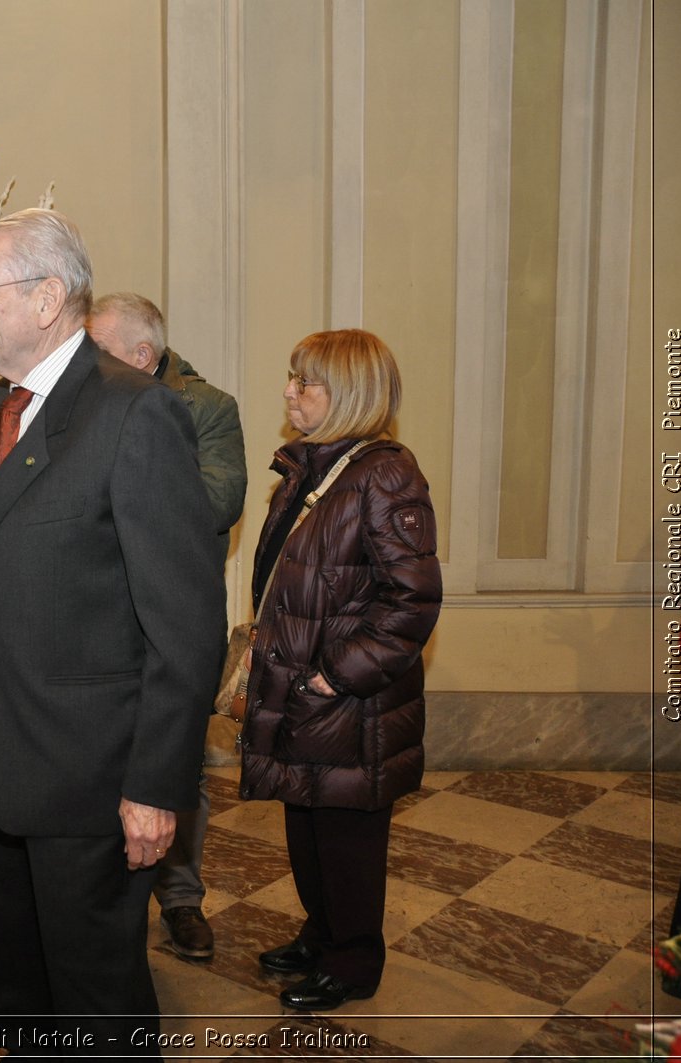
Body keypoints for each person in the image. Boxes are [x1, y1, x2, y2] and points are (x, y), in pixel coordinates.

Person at [0, 209, 224, 1053]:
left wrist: (158, 785)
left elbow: (190, 626)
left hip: (98, 780)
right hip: (9, 770)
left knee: (97, 1001)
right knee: (18, 989)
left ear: (48, 297)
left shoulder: (136, 416)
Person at [242, 328, 441, 1012]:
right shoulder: (315, 464)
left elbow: (411, 599)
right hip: (305, 686)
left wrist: (335, 676)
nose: (289, 393)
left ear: (349, 394)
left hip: (349, 701)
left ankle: (353, 959)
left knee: (347, 836)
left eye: (305, 382)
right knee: (307, 822)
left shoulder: (384, 472)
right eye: (291, 378)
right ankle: (320, 932)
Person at [86, 291, 246, 961]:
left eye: (99, 352)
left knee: (177, 765)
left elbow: (218, 500)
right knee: (99, 765)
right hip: (103, 618)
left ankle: (181, 898)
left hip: (176, 617)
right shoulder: (86, 403)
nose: (84, 364)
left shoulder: (207, 406)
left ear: (142, 356)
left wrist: (119, 489)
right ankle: (100, 899)